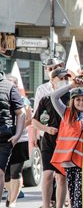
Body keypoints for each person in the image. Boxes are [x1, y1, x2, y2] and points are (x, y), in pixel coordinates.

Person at [50, 78, 83, 208]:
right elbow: (54, 96)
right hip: (68, 161)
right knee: (73, 195)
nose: (81, 102)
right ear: (73, 101)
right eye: (78, 99)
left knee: (80, 195)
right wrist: (71, 85)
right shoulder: (66, 113)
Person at [32, 68, 71, 208]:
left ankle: (59, 205)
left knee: (61, 177)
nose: (64, 81)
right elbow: (35, 121)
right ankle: (46, 205)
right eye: (61, 78)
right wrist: (46, 129)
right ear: (52, 80)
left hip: (66, 144)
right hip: (49, 142)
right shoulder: (46, 99)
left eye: (66, 78)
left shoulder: (72, 98)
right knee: (48, 175)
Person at [4, 75, 30, 208]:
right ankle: (11, 194)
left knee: (16, 171)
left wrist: (18, 130)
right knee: (6, 174)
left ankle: (13, 201)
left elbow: (28, 118)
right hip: (6, 138)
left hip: (21, 139)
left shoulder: (23, 100)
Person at [0, 72, 25, 204]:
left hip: (3, 138)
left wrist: (17, 135)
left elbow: (21, 113)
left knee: (1, 172)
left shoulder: (9, 87)